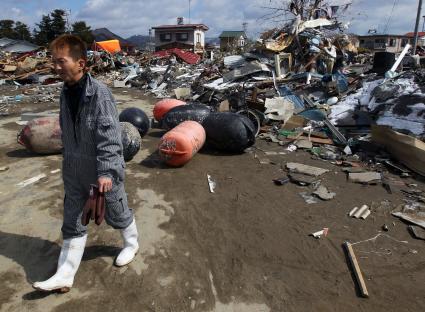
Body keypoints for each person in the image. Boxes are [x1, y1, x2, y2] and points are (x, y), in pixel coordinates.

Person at [32, 34, 139, 293]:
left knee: (117, 211)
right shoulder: (64, 93)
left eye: (61, 61)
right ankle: (65, 274)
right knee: (73, 219)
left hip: (102, 172)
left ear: (81, 63)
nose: (56, 67)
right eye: (53, 62)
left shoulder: (99, 94)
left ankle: (131, 244)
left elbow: (110, 137)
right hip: (74, 170)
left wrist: (108, 172)